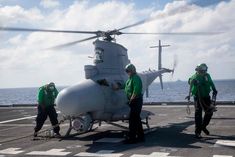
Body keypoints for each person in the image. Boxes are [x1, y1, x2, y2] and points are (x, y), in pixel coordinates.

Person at [186, 63, 217, 138]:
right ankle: (198, 132)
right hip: (197, 98)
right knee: (198, 113)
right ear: (198, 70)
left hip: (206, 97)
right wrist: (193, 82)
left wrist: (214, 91)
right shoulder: (195, 76)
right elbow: (190, 80)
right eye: (202, 70)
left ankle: (203, 126)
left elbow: (211, 83)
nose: (203, 72)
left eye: (204, 70)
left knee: (210, 112)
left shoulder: (207, 75)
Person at [115, 63, 144, 144]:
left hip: (136, 101)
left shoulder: (136, 78)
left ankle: (132, 138)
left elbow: (136, 89)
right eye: (126, 71)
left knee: (133, 120)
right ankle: (141, 137)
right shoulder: (130, 79)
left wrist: (132, 99)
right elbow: (126, 86)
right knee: (137, 119)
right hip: (133, 101)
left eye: (128, 71)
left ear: (132, 70)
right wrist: (118, 87)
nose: (127, 72)